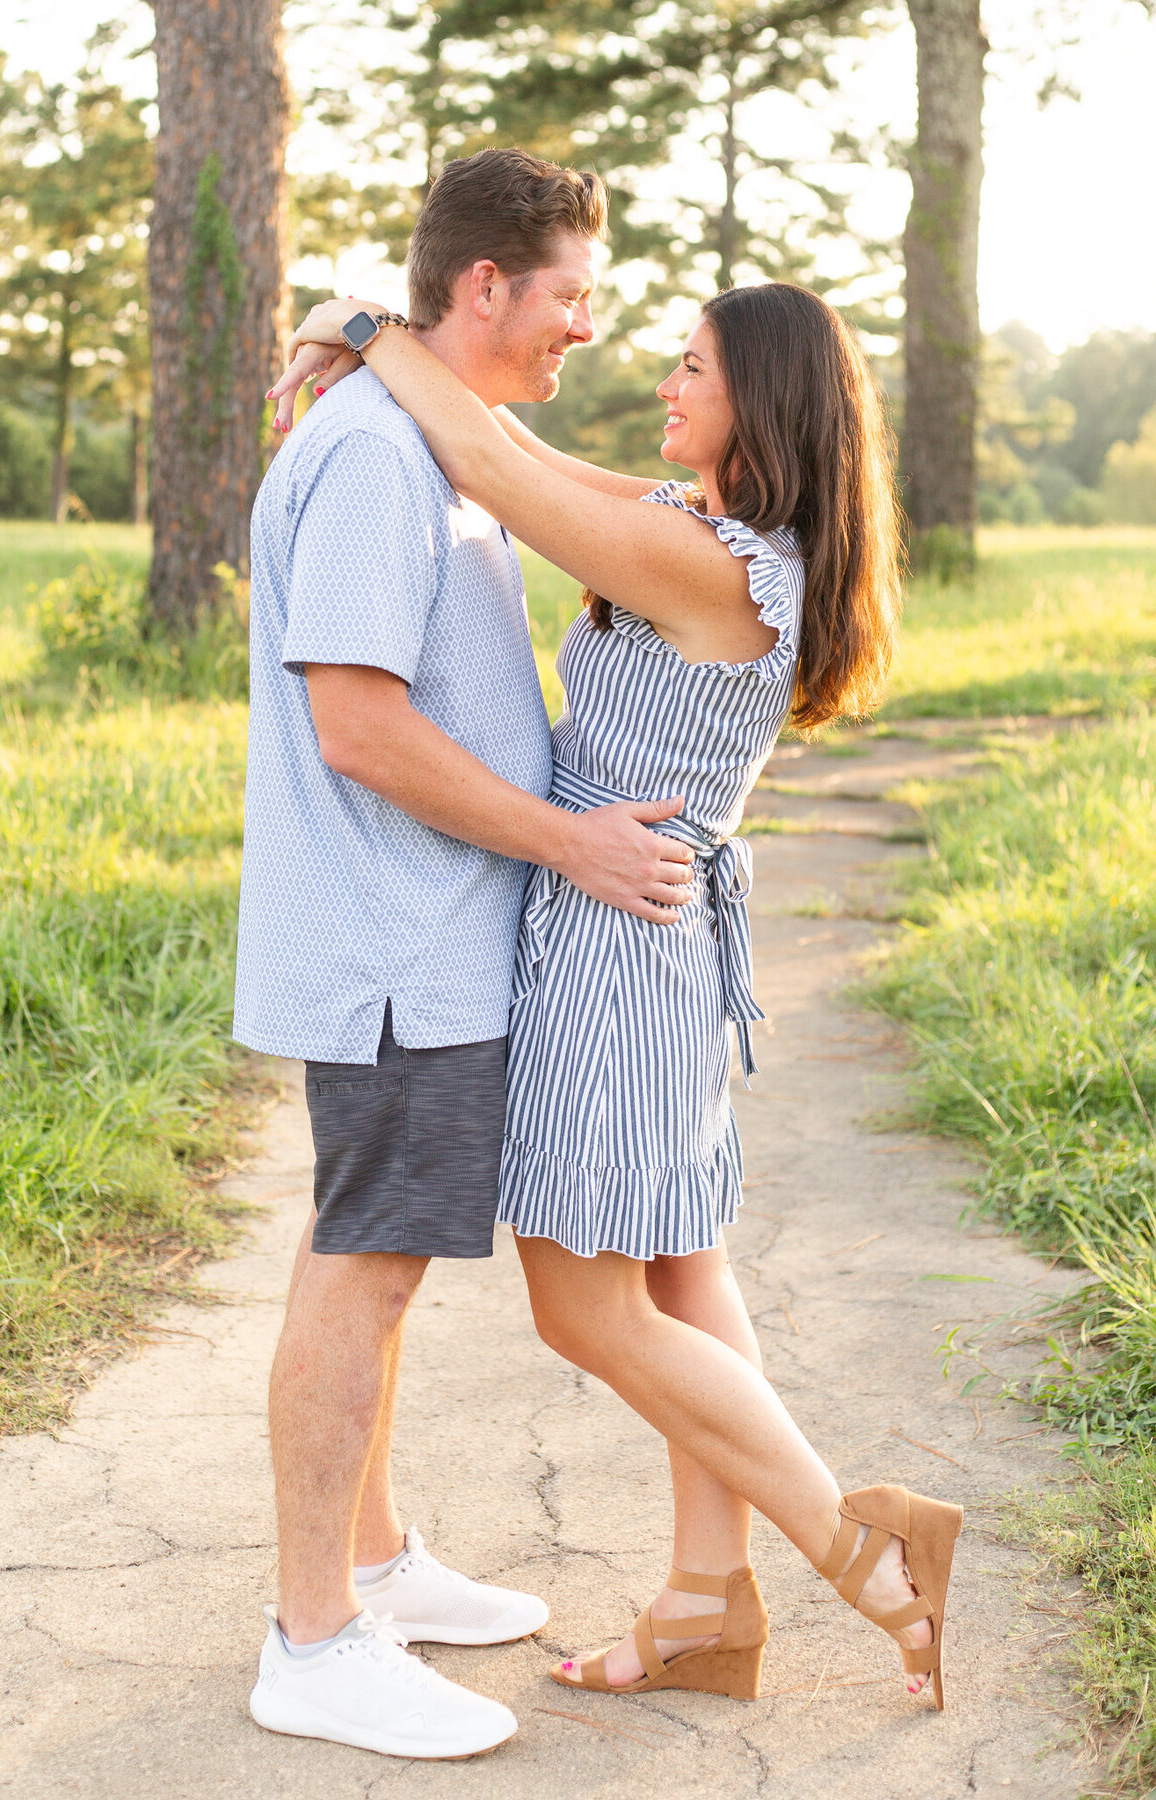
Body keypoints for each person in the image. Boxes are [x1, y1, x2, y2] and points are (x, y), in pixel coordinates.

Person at [269, 276, 964, 1712]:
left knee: (588, 1310)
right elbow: (557, 470)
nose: (662, 375)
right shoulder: (710, 535)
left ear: (760, 398)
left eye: (692, 364)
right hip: (646, 928)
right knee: (682, 1272)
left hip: (611, 934)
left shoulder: (718, 573)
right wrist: (374, 340)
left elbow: (497, 465)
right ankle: (706, 1605)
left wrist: (360, 324)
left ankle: (862, 1548)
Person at [235, 148, 700, 1763]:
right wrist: (577, 839)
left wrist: (365, 324)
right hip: (394, 945)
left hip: (419, 942)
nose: (590, 325)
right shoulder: (376, 460)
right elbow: (356, 726)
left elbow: (545, 480)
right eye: (570, 292)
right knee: (362, 1271)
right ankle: (312, 1639)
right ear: (486, 286)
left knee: (382, 1259)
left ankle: (369, 1563)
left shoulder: (438, 440)